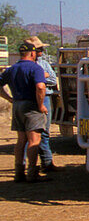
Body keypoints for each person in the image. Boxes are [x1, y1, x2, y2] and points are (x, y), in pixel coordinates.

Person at [0, 40, 51, 182]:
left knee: (21, 140)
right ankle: (32, 173)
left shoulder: (11, 69)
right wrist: (41, 105)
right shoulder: (36, 68)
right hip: (31, 106)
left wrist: (9, 99)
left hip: (17, 105)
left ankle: (19, 172)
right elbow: (40, 87)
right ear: (33, 53)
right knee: (34, 140)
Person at [28, 37, 59, 172]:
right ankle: (31, 165)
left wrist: (42, 77)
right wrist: (42, 76)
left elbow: (53, 79)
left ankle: (46, 162)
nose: (41, 51)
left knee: (44, 131)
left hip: (45, 96)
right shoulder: (27, 65)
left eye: (41, 48)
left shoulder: (44, 63)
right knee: (31, 134)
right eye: (39, 48)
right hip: (34, 97)